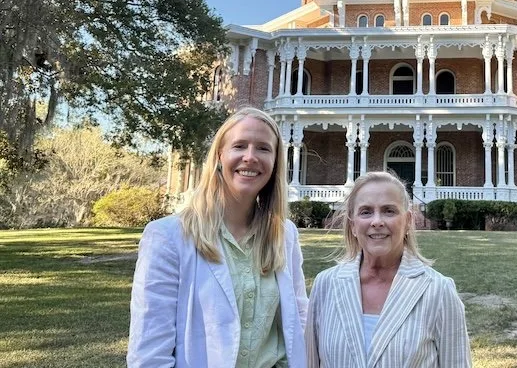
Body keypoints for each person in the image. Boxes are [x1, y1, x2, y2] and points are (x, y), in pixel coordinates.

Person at [127, 107, 307, 368]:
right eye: (239, 146)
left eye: (263, 149)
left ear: (276, 162)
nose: (250, 157)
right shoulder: (168, 237)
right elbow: (149, 350)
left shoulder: (284, 234)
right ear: (220, 156)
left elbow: (298, 319)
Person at [306, 171, 471, 367]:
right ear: (352, 225)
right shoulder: (326, 285)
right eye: (366, 211)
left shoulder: (438, 291)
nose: (377, 221)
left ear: (408, 221)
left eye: (389, 211)